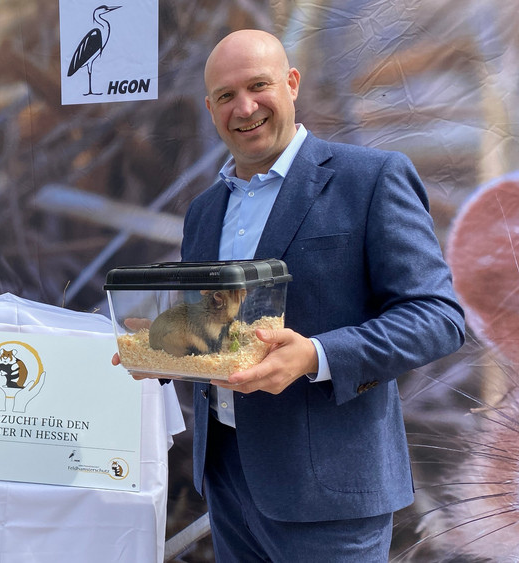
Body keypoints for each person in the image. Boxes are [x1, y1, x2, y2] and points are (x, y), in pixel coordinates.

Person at [118, 30, 466, 560]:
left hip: (329, 490)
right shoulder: (204, 210)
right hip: (229, 479)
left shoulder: (369, 179)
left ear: (292, 83)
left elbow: (437, 317)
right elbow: (216, 331)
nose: (246, 107)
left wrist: (315, 356)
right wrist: (167, 350)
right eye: (227, 96)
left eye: (259, 86)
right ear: (209, 108)